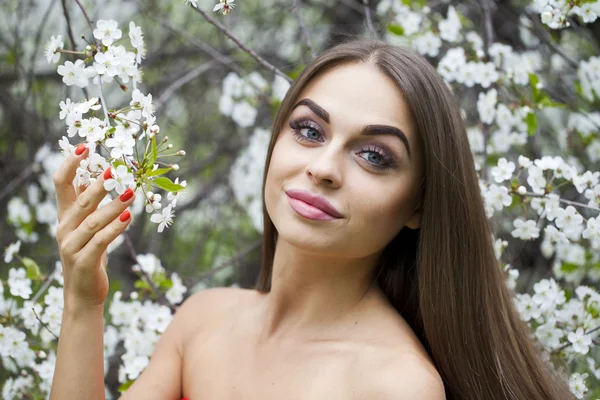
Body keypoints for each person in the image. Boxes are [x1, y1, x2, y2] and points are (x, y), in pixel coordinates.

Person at [49, 39, 574, 399]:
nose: (322, 169)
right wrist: (82, 300)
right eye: (309, 130)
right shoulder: (202, 320)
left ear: (419, 206)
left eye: (374, 156)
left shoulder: (394, 385)